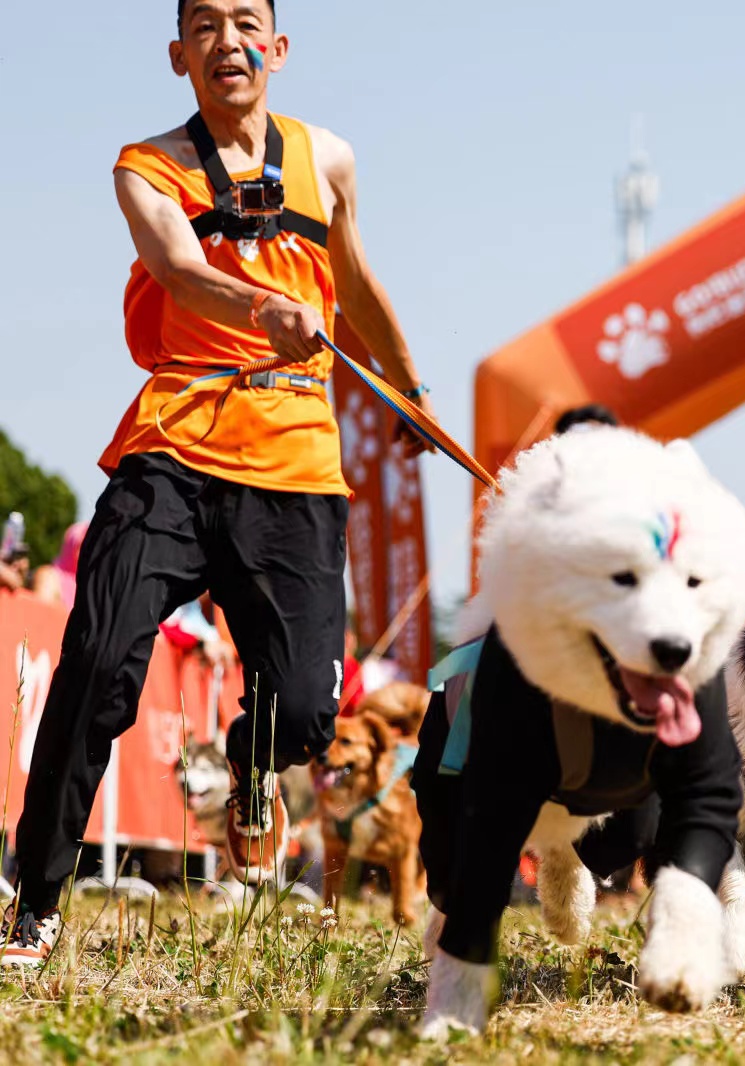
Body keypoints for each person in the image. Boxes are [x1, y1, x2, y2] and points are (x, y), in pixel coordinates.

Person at [2, 0, 432, 968]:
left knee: (307, 709)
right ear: (178, 55)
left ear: (277, 49)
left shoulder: (332, 160)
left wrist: (408, 387)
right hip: (176, 446)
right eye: (205, 25)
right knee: (100, 657)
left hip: (294, 461)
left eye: (246, 22)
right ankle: (35, 900)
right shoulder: (147, 164)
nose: (226, 41)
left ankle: (250, 767)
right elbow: (178, 267)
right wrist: (261, 306)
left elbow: (354, 285)